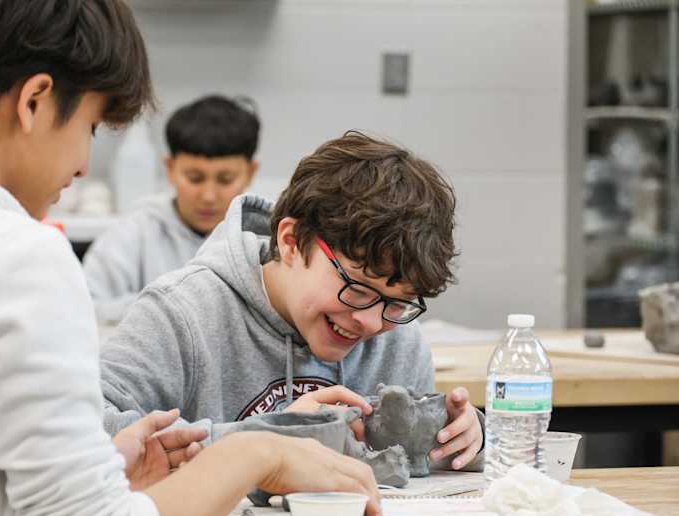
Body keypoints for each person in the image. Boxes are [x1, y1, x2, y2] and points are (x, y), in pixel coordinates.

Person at [0, 2, 381, 516]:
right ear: (34, 102)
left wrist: (99, 470)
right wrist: (259, 453)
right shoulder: (17, 256)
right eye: (90, 126)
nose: (83, 166)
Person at [101, 131, 485, 472]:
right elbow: (83, 430)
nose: (370, 323)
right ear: (290, 241)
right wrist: (266, 440)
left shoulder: (398, 336)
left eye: (396, 302)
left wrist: (464, 440)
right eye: (358, 287)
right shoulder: (181, 314)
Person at [83, 94, 260, 322]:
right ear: (170, 168)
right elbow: (85, 308)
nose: (208, 196)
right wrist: (170, 309)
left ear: (251, 172)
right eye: (194, 178)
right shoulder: (132, 234)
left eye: (225, 179)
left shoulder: (266, 240)